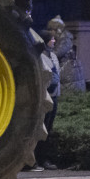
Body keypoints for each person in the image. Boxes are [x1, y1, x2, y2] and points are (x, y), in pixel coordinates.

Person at [32, 29, 61, 171]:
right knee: (39, 130)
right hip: (44, 98)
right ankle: (35, 160)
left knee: (48, 131)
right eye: (51, 39)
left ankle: (44, 159)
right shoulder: (39, 56)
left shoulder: (53, 56)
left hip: (54, 97)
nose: (54, 41)